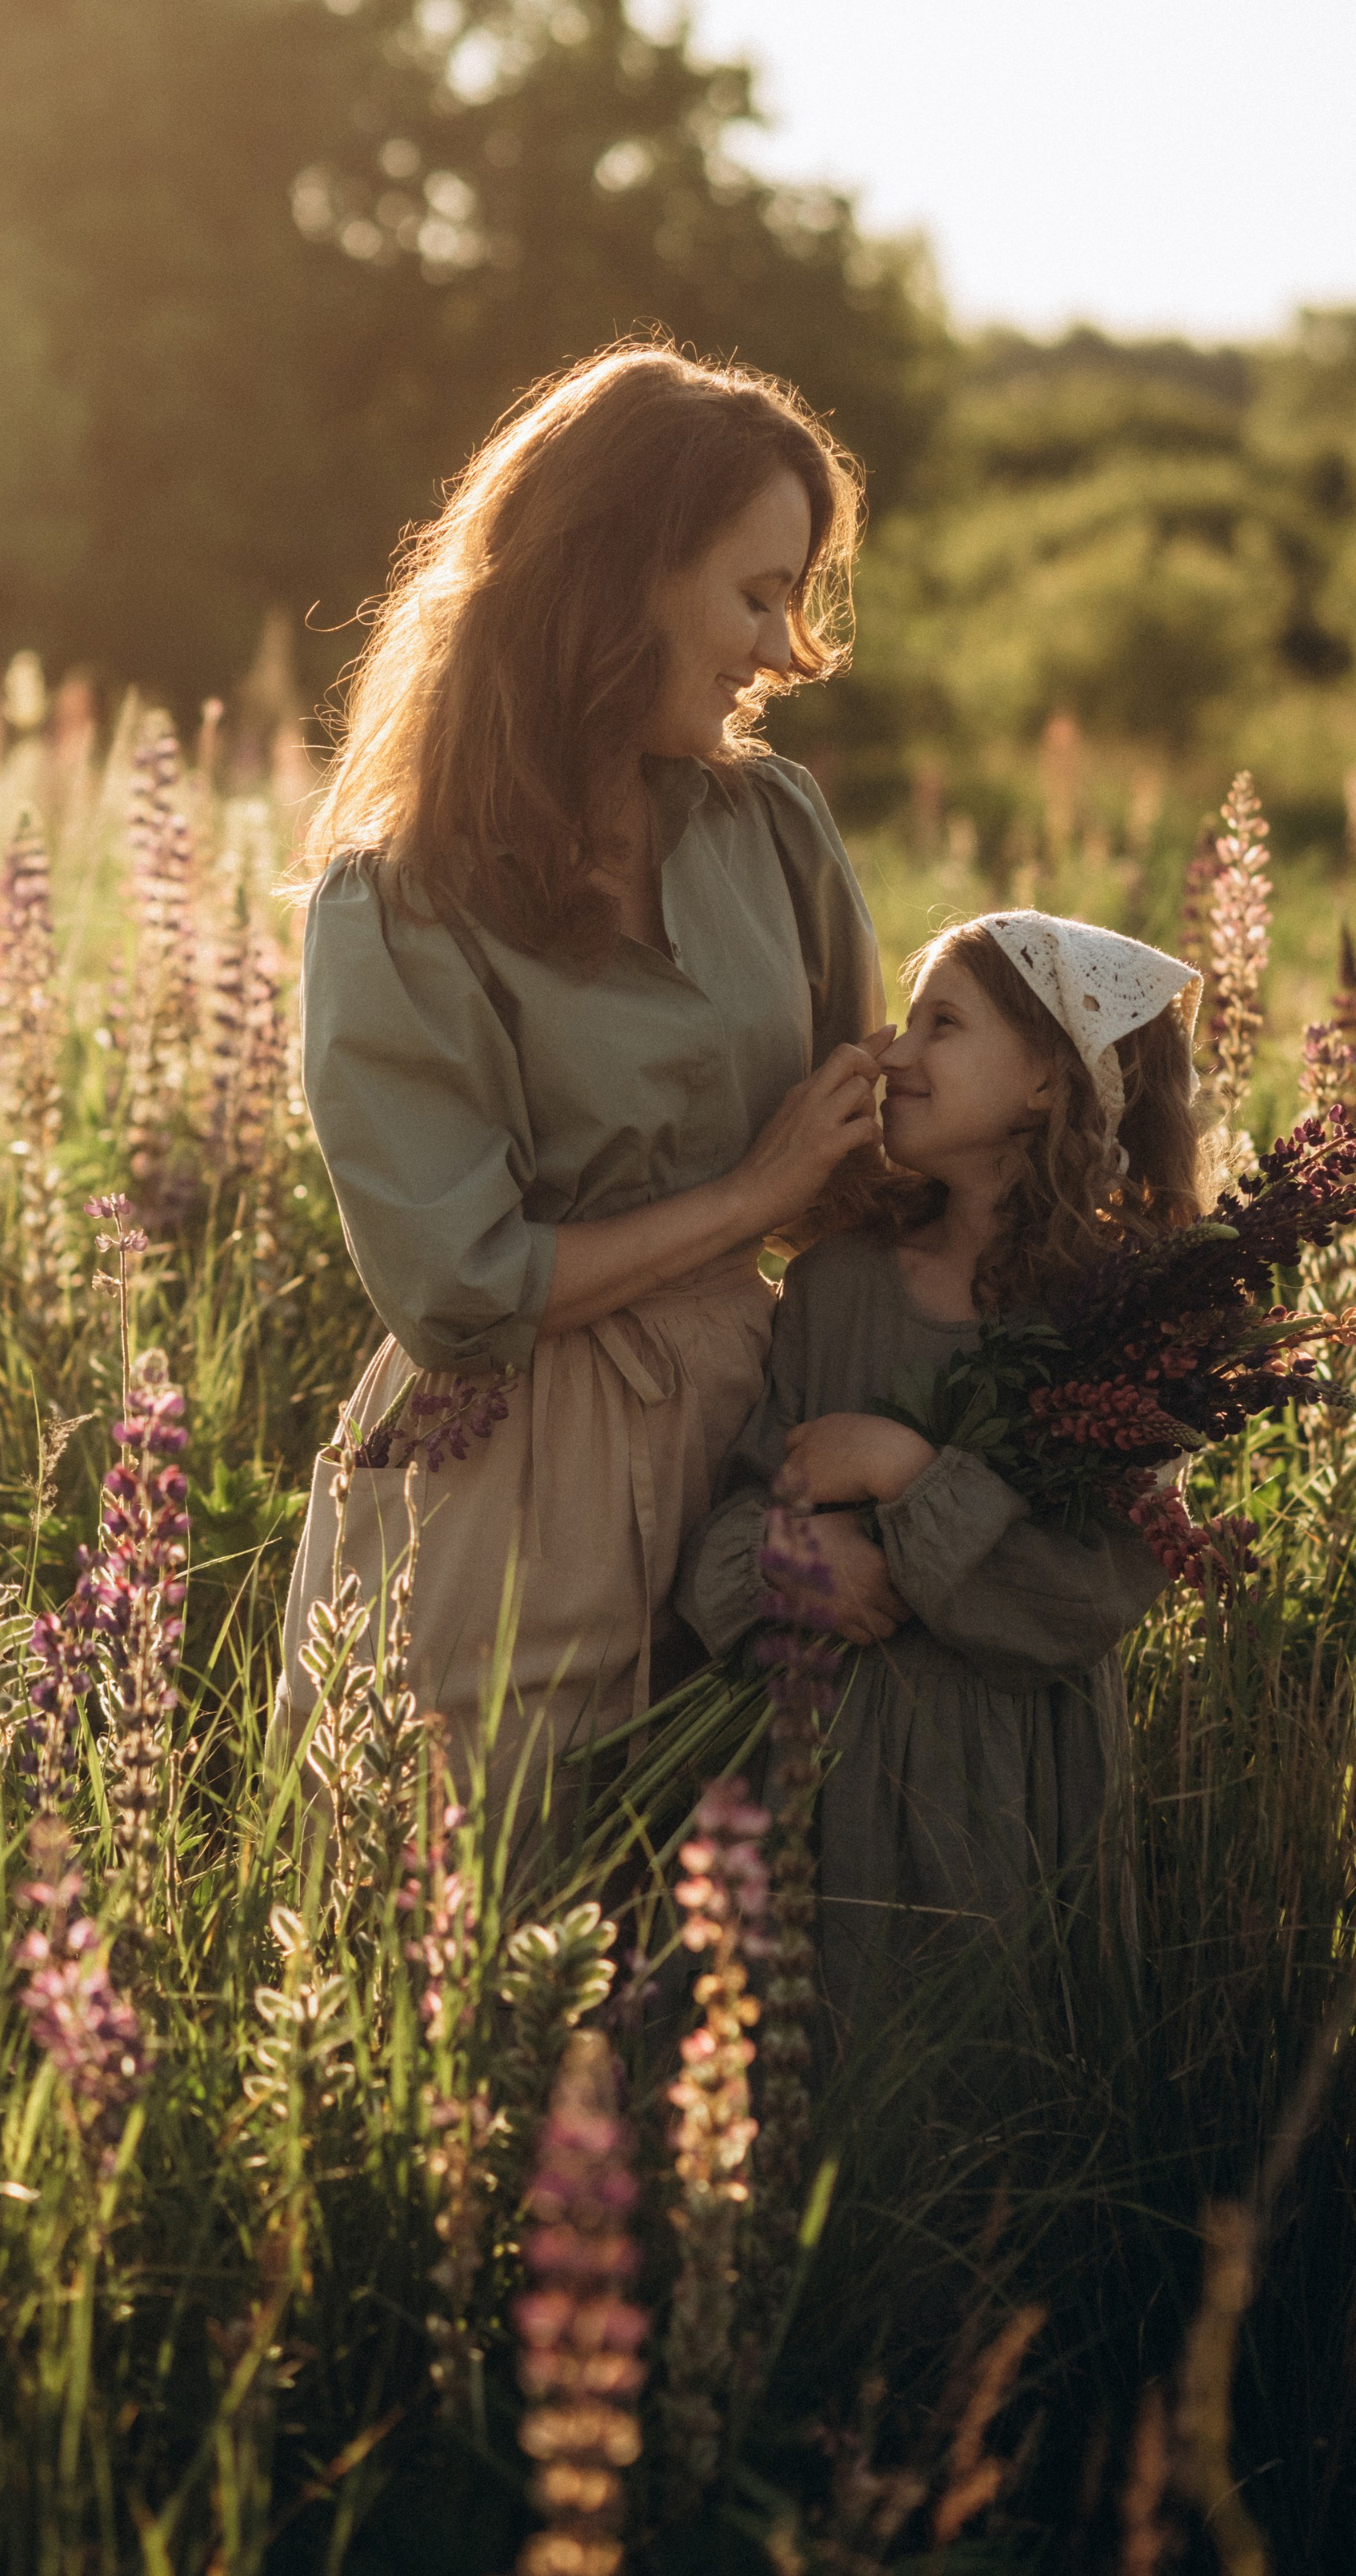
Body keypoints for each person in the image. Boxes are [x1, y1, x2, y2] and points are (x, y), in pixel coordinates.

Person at [273, 344, 890, 1810]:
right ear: (617, 577)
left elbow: (861, 1158)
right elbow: (458, 1291)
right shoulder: (400, 903)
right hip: (504, 1481)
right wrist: (755, 1190)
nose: (784, 653)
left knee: (741, 1951)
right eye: (756, 596)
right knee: (496, 1929)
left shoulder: (771, 827)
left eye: (794, 598)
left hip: (754, 1445)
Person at [675, 909, 1203, 2027]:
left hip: (1013, 1800)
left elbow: (1086, 1596)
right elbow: (722, 1539)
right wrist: (786, 1555)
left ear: (1049, 1085)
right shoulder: (837, 1289)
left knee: (984, 2082)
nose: (892, 1053)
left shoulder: (1112, 1323)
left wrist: (910, 1476)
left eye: (943, 1026)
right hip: (823, 1785)